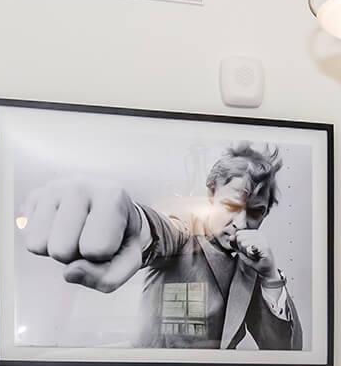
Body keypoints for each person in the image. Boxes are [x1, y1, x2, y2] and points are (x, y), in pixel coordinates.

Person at [19, 140, 303, 350]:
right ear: (211, 195)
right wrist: (133, 219)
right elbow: (161, 230)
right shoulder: (183, 233)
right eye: (231, 205)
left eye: (256, 211)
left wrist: (271, 277)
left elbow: (285, 352)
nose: (241, 223)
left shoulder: (253, 267)